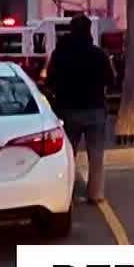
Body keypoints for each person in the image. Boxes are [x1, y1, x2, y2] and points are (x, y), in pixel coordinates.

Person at [44, 13, 116, 204]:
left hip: (67, 110)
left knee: (69, 154)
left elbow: (50, 81)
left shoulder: (60, 54)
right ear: (89, 31)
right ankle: (95, 193)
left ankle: (69, 194)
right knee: (96, 154)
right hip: (94, 109)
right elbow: (111, 79)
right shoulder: (98, 54)